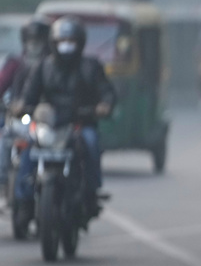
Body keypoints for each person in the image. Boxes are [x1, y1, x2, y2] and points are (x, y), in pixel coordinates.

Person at [17, 16, 117, 217]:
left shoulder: (91, 66)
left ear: (79, 43)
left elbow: (106, 91)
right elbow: (29, 95)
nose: (66, 46)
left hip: (80, 123)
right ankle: (23, 198)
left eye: (71, 41)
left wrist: (104, 105)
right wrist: (21, 106)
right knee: (27, 145)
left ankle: (91, 192)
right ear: (53, 43)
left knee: (91, 142)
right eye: (62, 41)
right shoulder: (43, 67)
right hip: (50, 124)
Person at [0, 17, 50, 211]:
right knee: (4, 138)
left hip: (44, 118)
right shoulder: (15, 63)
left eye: (38, 39)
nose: (34, 44)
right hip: (18, 115)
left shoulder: (51, 64)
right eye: (31, 39)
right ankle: (3, 183)